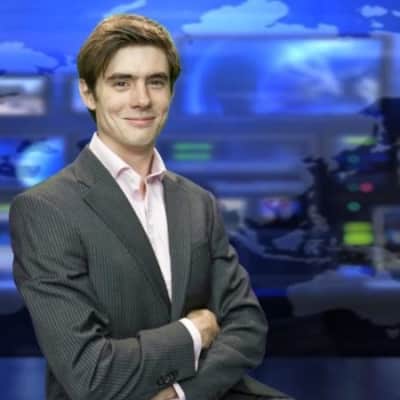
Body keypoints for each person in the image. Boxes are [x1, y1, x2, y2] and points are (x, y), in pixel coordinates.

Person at [10, 14, 288, 400]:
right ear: (88, 93)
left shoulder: (198, 202)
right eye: (121, 83)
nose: (141, 100)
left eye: (155, 82)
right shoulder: (45, 210)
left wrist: (180, 392)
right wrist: (194, 332)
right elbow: (88, 372)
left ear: (170, 92)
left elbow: (247, 327)